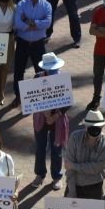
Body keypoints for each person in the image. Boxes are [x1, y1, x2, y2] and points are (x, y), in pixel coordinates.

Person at [30, 52, 71, 186]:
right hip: (41, 119)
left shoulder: (64, 79)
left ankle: (57, 177)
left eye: (54, 68)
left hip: (57, 121)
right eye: (50, 68)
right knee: (40, 148)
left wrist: (55, 116)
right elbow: (32, 97)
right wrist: (45, 112)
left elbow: (68, 102)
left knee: (56, 149)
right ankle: (39, 175)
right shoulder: (37, 77)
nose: (52, 70)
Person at [11, 0, 53, 100]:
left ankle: (39, 98)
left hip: (38, 44)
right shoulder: (21, 4)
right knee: (19, 71)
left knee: (41, 72)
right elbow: (18, 23)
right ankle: (18, 96)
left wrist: (30, 22)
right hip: (22, 43)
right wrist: (37, 25)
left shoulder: (47, 5)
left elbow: (48, 23)